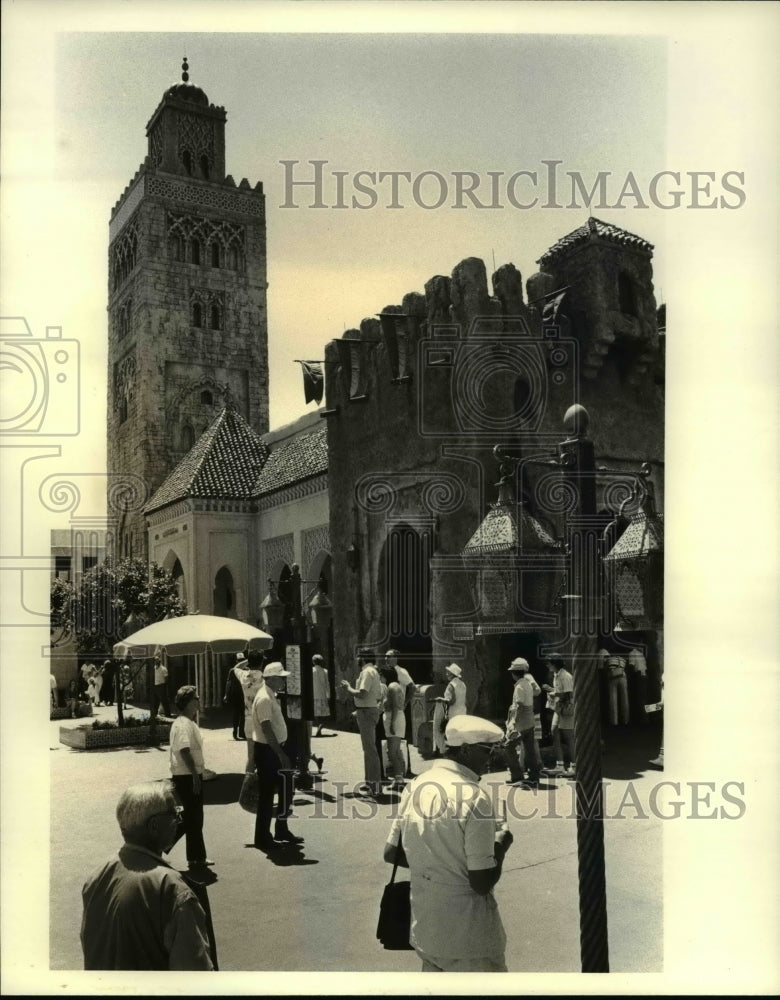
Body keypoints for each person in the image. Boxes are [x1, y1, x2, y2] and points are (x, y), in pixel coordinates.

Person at [384, 714, 513, 973]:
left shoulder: (416, 785)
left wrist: (435, 863)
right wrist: (501, 842)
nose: (492, 759)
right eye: (488, 750)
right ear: (465, 750)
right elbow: (481, 882)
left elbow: (391, 852)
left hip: (426, 929)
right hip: (468, 938)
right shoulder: (474, 797)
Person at [80, 781, 214, 970]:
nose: (178, 821)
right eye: (174, 814)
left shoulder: (97, 877)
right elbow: (194, 974)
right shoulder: (172, 889)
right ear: (154, 826)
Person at [251, 661, 303, 852]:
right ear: (271, 678)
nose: (283, 681)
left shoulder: (270, 695)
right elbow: (266, 729)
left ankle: (281, 828)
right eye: (281, 678)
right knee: (266, 796)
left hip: (275, 749)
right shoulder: (264, 697)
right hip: (269, 752)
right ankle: (263, 837)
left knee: (286, 789)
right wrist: (280, 754)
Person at [169, 686, 213, 870]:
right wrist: (195, 776)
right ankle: (166, 844)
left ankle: (197, 857)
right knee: (192, 818)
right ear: (187, 703)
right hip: (186, 776)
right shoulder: (182, 725)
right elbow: (184, 750)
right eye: (195, 698)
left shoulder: (188, 722)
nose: (198, 700)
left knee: (194, 818)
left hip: (190, 774)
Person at [340, 648, 383, 797]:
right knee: (368, 749)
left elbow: (362, 693)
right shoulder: (372, 671)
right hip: (366, 710)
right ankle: (370, 782)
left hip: (366, 711)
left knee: (370, 749)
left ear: (363, 658)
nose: (357, 660)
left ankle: (375, 785)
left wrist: (348, 688)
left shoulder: (367, 672)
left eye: (359, 657)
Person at [503, 658, 542, 787]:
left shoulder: (519, 686)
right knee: (530, 750)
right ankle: (534, 777)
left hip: (521, 723)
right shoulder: (527, 684)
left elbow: (518, 706)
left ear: (515, 673)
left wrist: (513, 722)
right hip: (529, 721)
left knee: (508, 747)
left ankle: (517, 775)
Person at [542, 653, 575, 778]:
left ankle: (574, 766)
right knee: (554, 731)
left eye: (549, 663)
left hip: (566, 709)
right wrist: (552, 690)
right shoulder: (557, 675)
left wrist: (552, 692)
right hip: (559, 708)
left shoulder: (565, 676)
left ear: (554, 663)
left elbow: (568, 695)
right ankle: (560, 766)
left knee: (568, 736)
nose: (547, 665)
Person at [385, 649, 416, 776]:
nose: (386, 659)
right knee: (394, 744)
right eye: (385, 656)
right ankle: (398, 771)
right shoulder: (387, 671)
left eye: (389, 657)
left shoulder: (401, 671)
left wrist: (406, 703)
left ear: (396, 658)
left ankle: (404, 770)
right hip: (389, 710)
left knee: (399, 743)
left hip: (397, 710)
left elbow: (412, 687)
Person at [432, 663, 467, 756]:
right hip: (462, 712)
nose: (447, 674)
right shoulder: (462, 684)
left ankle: (452, 754)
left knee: (451, 735)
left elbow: (452, 701)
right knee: (459, 734)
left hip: (454, 713)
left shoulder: (451, 685)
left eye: (448, 673)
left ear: (452, 674)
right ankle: (459, 753)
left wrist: (441, 699)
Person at [238, 650, 265, 769]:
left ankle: (248, 779)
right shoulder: (264, 677)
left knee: (251, 755)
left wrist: (247, 661)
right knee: (265, 752)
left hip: (248, 718)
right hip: (263, 719)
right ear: (261, 663)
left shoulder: (243, 675)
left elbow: (236, 667)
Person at [380, 664, 406, 786]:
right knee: (395, 751)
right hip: (394, 718)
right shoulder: (394, 686)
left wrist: (392, 724)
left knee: (392, 752)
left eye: (381, 675)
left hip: (394, 719)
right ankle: (398, 777)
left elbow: (395, 706)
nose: (380, 677)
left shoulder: (392, 687)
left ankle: (399, 779)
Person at [223, 653, 248, 740]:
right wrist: (226, 694)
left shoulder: (246, 670)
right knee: (237, 714)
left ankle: (241, 732)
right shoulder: (233, 670)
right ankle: (235, 732)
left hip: (243, 694)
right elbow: (228, 683)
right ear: (237, 661)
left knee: (243, 714)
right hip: (236, 694)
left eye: (242, 660)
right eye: (240, 660)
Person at [311, 653, 332, 738]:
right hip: (322, 695)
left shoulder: (311, 671)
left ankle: (318, 727)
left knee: (316, 714)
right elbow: (327, 684)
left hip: (314, 695)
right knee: (323, 715)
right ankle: (319, 728)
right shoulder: (325, 671)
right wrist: (328, 694)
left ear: (313, 662)